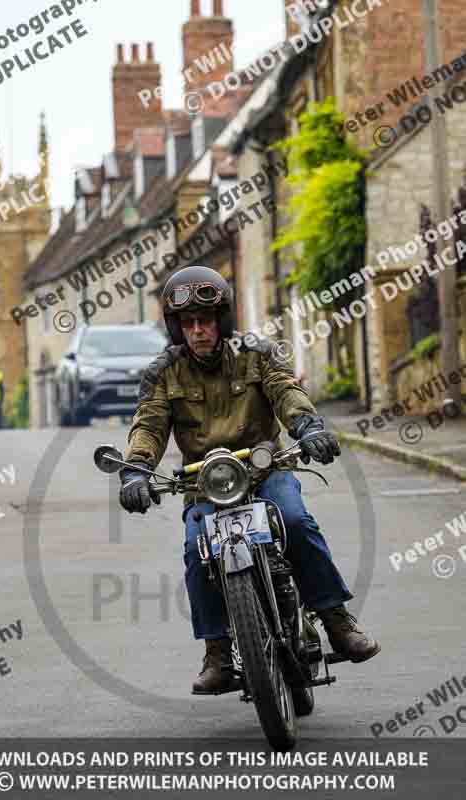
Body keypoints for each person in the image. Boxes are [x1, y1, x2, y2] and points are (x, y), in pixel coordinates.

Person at [119, 266, 380, 694]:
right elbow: (147, 425)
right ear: (177, 327)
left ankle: (336, 620)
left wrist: (308, 427)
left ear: (222, 320)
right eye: (189, 323)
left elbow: (285, 391)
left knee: (295, 521)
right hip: (204, 483)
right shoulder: (163, 372)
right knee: (194, 549)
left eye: (206, 320)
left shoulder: (258, 352)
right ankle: (218, 652)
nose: (199, 330)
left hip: (265, 470)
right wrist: (135, 469)